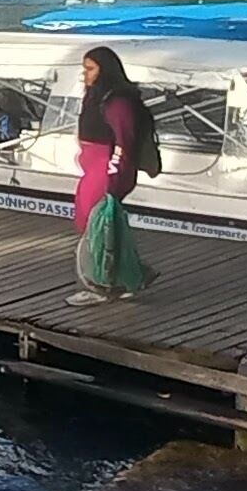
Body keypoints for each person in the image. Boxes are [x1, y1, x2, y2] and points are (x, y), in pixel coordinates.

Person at [70, 47, 153, 305]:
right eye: (84, 69)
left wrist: (113, 176)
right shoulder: (95, 98)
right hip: (94, 166)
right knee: (97, 223)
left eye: (90, 69)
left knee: (96, 224)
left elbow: (123, 141)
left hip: (108, 168)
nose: (85, 74)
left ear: (104, 70)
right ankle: (128, 276)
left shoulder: (117, 102)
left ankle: (101, 283)